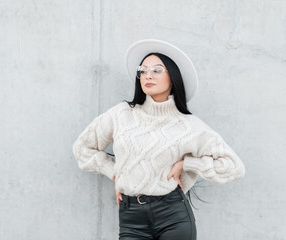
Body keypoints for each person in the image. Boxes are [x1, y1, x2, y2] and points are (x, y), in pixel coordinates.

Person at [72, 39, 246, 240]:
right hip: (131, 218)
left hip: (173, 215)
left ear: (173, 77)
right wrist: (114, 172)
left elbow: (233, 166)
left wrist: (187, 164)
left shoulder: (189, 125)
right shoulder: (121, 114)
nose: (148, 75)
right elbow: (83, 148)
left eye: (156, 70)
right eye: (143, 70)